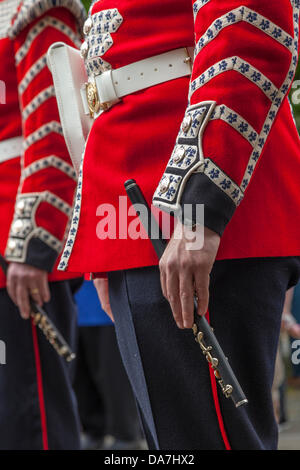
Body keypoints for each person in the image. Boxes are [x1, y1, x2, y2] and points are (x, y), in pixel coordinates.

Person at [57, 0, 300, 450]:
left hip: (198, 213)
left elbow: (245, 29)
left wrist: (200, 210)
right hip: (138, 215)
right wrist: (108, 250)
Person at [0, 0, 86, 450]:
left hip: (16, 249)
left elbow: (56, 129)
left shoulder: (32, 10)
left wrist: (33, 245)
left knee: (31, 420)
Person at [73, 280, 144, 450]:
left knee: (114, 380)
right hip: (75, 303)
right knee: (82, 381)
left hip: (108, 302)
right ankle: (94, 431)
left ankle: (126, 436)